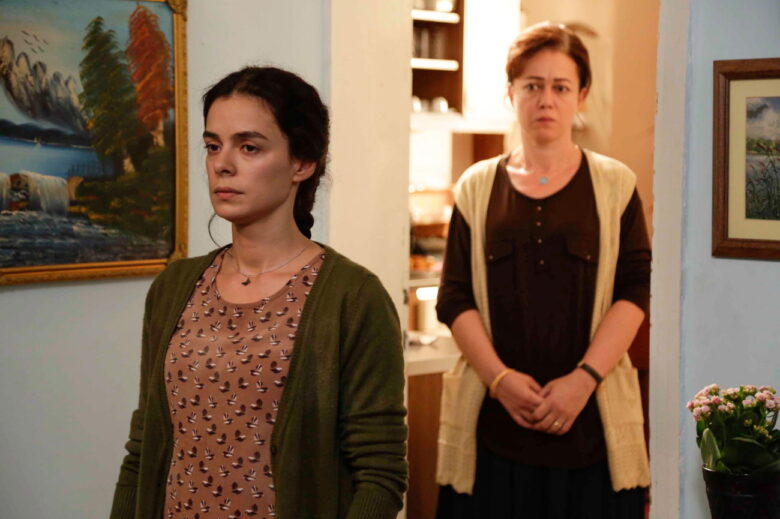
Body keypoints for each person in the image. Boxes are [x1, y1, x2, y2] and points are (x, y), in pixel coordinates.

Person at [109, 66, 407, 519]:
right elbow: (144, 447)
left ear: (301, 163)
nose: (222, 164)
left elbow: (380, 473)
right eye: (213, 146)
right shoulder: (174, 287)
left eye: (249, 147)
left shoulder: (352, 297)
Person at [434, 22, 651, 518]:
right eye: (532, 86)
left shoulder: (616, 184)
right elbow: (454, 297)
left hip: (591, 425)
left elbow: (635, 289)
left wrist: (584, 379)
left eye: (560, 87)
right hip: (493, 427)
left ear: (582, 95)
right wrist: (500, 380)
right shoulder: (475, 185)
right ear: (511, 93)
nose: (546, 100)